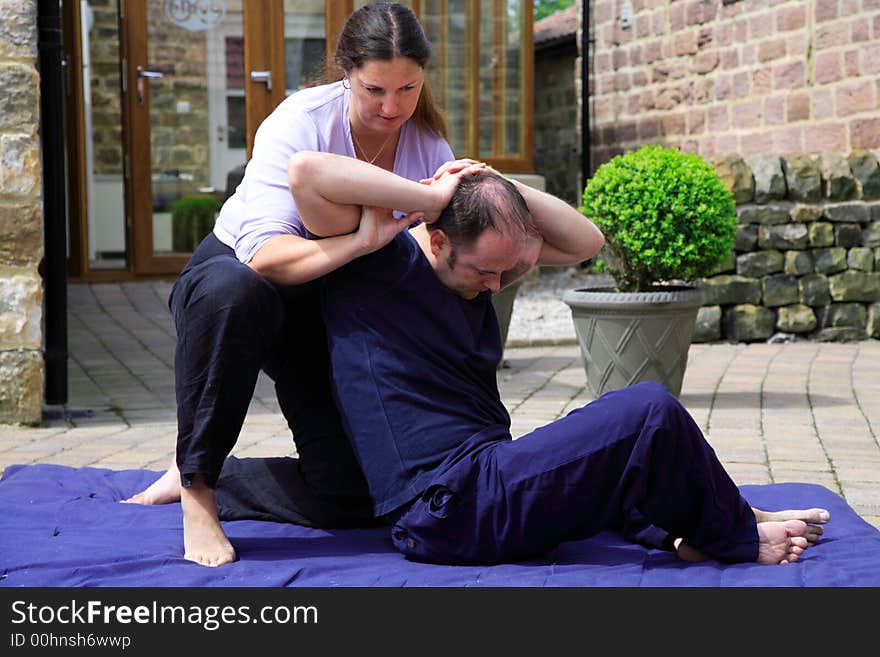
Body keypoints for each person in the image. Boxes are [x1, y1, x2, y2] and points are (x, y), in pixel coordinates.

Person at [288, 150, 831, 566]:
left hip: (483, 481)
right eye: (482, 272)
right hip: (445, 506)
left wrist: (493, 183)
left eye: (506, 274)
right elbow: (308, 172)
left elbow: (586, 242)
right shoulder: (378, 264)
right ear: (436, 240)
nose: (494, 286)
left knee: (626, 463)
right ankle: (735, 533)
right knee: (647, 412)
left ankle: (696, 532)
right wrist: (431, 197)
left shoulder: (482, 262)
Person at [123, 2, 479, 567]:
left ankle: (232, 481)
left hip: (326, 303)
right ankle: (198, 487)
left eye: (407, 89)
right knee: (233, 295)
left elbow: (417, 264)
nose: (392, 108)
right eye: (374, 90)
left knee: (354, 493)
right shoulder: (299, 122)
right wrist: (362, 242)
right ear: (345, 72)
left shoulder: (427, 148)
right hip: (240, 281)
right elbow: (266, 258)